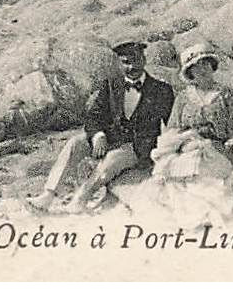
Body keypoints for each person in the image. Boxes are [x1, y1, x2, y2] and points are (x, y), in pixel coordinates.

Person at [29, 37, 174, 212]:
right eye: (126, 62)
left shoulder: (161, 90)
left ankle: (81, 198)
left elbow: (172, 124)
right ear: (119, 64)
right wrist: (99, 135)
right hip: (112, 138)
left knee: (113, 159)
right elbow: (93, 116)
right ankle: (49, 194)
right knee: (75, 143)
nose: (132, 67)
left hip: (139, 147)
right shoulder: (112, 86)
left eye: (135, 60)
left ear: (143, 59)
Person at [150, 43, 233, 217]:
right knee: (177, 176)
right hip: (188, 149)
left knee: (204, 180)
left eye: (206, 63)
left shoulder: (226, 95)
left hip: (218, 151)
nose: (203, 69)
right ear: (190, 72)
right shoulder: (183, 98)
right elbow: (172, 131)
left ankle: (205, 214)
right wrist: (187, 137)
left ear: (213, 65)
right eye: (196, 66)